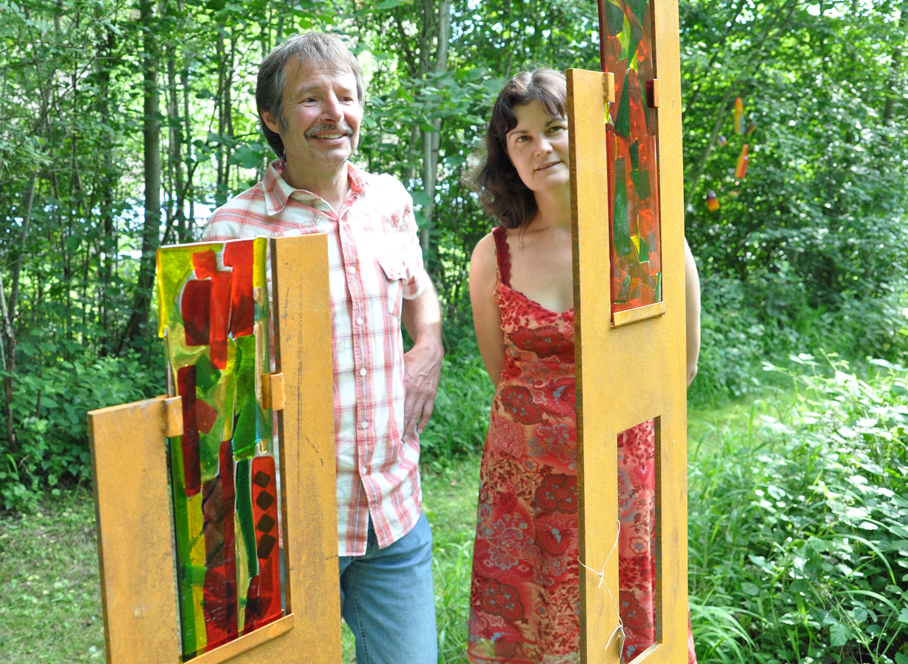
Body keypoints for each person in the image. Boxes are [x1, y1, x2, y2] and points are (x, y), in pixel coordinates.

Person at [202, 32, 444, 664]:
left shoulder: (389, 202)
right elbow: (215, 393)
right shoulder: (233, 228)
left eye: (346, 96)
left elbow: (418, 288)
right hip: (287, 522)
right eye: (311, 98)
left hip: (393, 509)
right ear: (272, 117)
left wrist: (429, 343)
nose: (335, 113)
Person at [465, 68, 700, 664]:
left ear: (592, 132)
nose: (540, 147)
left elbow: (679, 367)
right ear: (507, 155)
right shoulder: (492, 255)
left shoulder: (647, 241)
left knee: (630, 628)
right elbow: (503, 374)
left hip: (623, 476)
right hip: (523, 489)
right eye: (521, 137)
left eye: (555, 127)